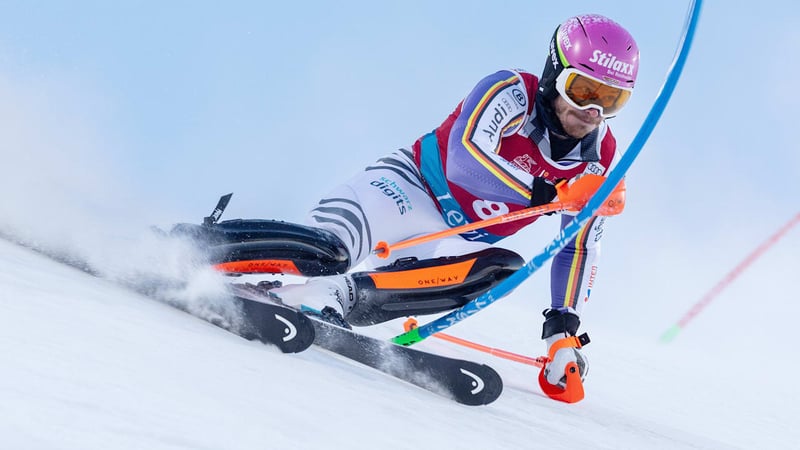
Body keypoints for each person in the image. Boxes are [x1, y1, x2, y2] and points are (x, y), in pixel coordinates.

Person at [184, 14, 639, 391]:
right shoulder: (510, 92)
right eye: (583, 91)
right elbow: (464, 159)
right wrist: (551, 194)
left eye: (611, 100)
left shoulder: (599, 156)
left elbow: (578, 245)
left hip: (448, 241)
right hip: (406, 190)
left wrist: (564, 333)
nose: (592, 112)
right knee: (330, 251)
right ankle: (197, 247)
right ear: (554, 75)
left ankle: (329, 299)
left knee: (502, 271)